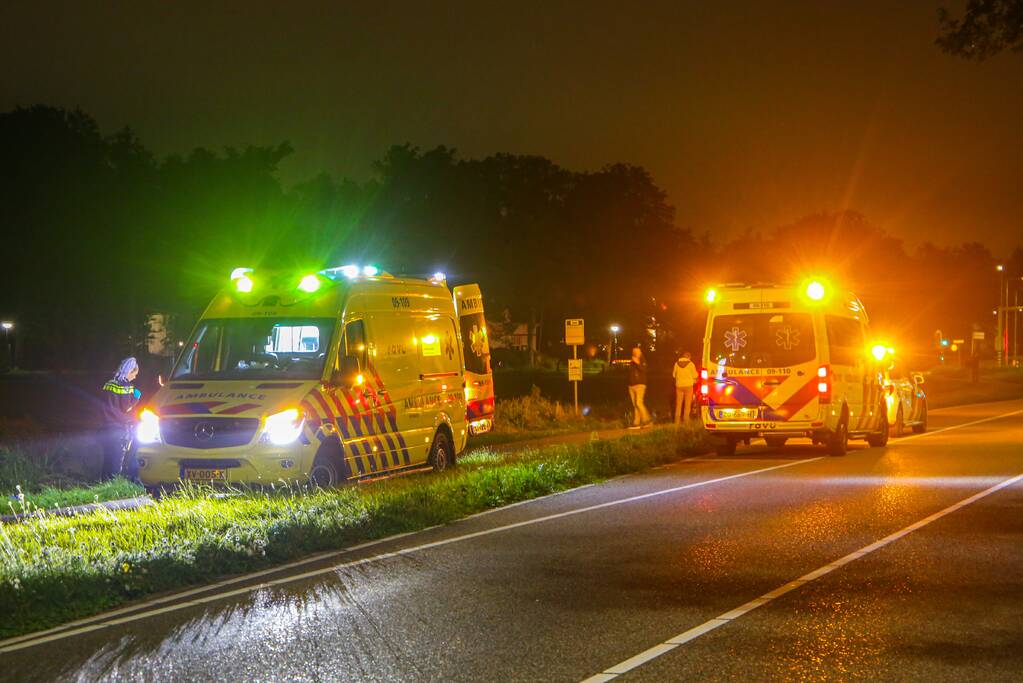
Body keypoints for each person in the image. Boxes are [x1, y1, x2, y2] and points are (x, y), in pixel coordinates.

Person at [100, 357, 142, 480]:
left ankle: (103, 484)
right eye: (135, 374)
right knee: (116, 459)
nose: (135, 377)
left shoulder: (108, 384)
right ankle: (113, 487)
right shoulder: (127, 387)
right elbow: (126, 408)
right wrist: (136, 398)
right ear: (129, 371)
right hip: (118, 428)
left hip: (105, 426)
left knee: (107, 458)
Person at [627, 347, 652, 429]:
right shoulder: (632, 362)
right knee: (635, 405)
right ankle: (636, 422)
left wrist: (637, 363)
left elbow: (644, 370)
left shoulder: (642, 361)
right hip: (631, 386)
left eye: (637, 352)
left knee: (638, 402)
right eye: (634, 351)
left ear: (640, 353)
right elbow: (630, 373)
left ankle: (647, 420)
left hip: (640, 385)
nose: (635, 353)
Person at [672, 351, 699, 425]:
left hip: (679, 386)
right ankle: (686, 420)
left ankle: (677, 421)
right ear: (689, 357)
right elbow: (695, 375)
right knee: (687, 404)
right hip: (688, 386)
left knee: (678, 404)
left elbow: (674, 375)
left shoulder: (676, 364)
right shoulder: (691, 364)